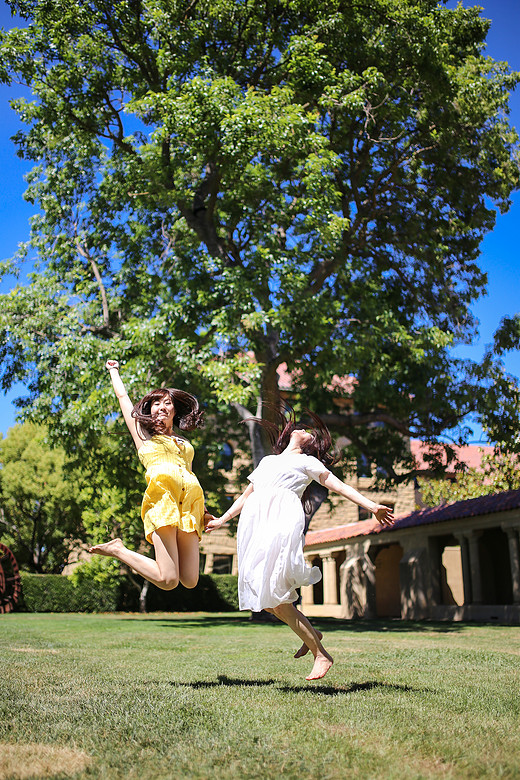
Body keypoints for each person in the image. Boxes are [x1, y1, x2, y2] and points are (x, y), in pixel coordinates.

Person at [205, 410, 395, 681]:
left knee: (276, 597)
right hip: (256, 523)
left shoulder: (308, 462)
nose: (305, 429)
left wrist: (371, 505)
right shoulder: (267, 461)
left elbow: (339, 486)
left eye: (310, 433)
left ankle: (322, 654)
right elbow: (246, 495)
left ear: (309, 443)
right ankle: (312, 633)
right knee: (266, 600)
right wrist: (223, 519)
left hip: (281, 523)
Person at [89, 360, 207, 591]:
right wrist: (114, 371)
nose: (161, 406)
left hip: (190, 508)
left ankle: (121, 550)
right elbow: (124, 400)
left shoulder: (184, 442)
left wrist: (203, 512)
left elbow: (190, 474)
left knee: (190, 580)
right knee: (168, 580)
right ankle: (118, 550)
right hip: (163, 502)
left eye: (167, 403)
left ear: (175, 411)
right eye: (155, 402)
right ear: (149, 409)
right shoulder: (143, 435)